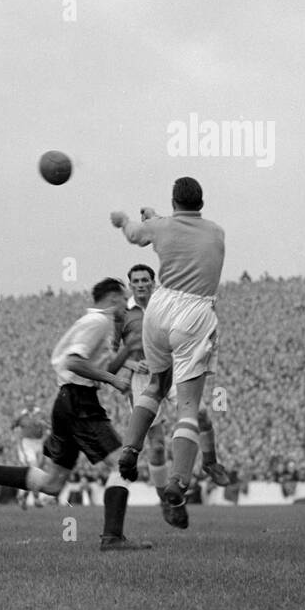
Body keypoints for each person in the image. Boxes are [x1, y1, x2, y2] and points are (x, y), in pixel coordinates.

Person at [0, 278, 152, 551]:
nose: (124, 307)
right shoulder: (98, 323)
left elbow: (99, 370)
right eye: (123, 299)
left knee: (53, 484)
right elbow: (73, 362)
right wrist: (112, 380)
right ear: (114, 298)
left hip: (68, 402)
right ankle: (112, 537)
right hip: (80, 402)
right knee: (122, 465)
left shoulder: (99, 324)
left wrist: (127, 350)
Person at [110, 176, 225, 520]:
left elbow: (136, 234)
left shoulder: (161, 227)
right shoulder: (217, 232)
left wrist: (125, 221)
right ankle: (179, 481)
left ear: (173, 203)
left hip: (159, 310)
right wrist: (158, 217)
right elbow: (184, 228)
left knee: (156, 386)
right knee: (189, 407)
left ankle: (131, 447)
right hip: (193, 312)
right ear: (201, 202)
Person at [109, 262, 232, 529]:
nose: (141, 284)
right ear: (130, 285)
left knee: (199, 414)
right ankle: (168, 499)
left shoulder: (166, 304)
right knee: (157, 445)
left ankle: (211, 462)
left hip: (174, 369)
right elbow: (112, 354)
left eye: (145, 280)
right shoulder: (122, 315)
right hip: (144, 378)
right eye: (136, 281)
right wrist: (131, 364)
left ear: (153, 283)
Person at [12, 404, 49, 510]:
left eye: (31, 401)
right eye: (27, 402)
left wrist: (44, 425)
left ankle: (22, 495)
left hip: (38, 442)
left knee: (33, 471)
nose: (29, 404)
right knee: (34, 468)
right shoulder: (22, 415)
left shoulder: (40, 413)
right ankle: (36, 497)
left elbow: (49, 426)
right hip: (26, 443)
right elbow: (13, 426)